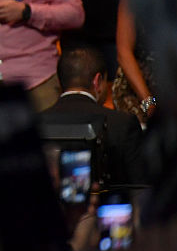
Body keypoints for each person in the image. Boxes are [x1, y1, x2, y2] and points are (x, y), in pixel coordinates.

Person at [40, 47, 145, 187]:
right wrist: (150, 100)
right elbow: (140, 188)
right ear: (98, 81)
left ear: (59, 82)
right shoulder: (122, 124)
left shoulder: (34, 126)